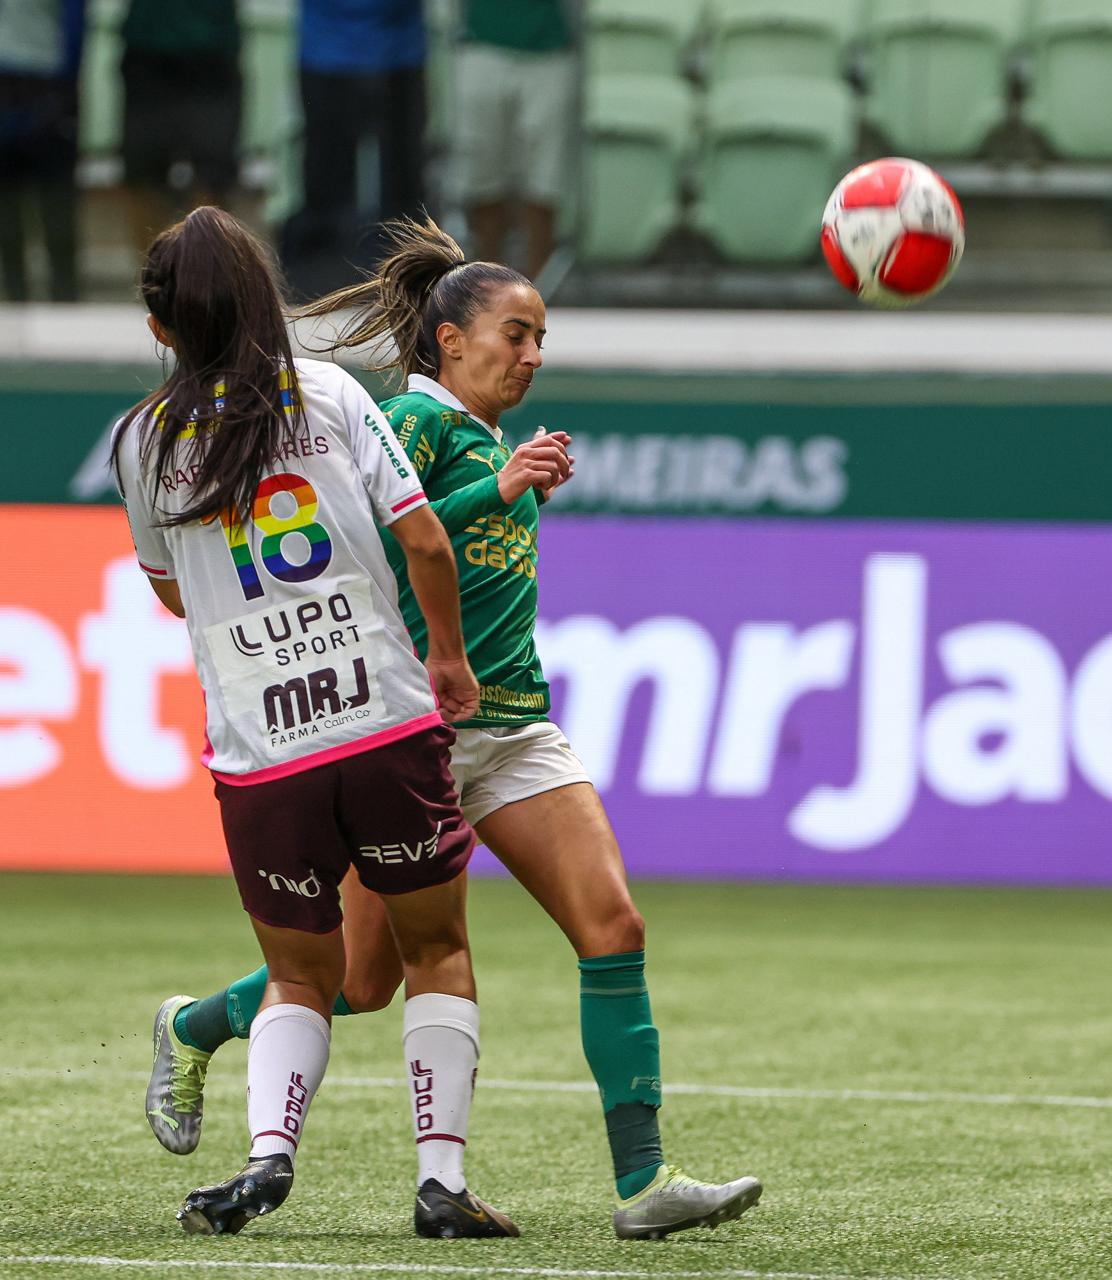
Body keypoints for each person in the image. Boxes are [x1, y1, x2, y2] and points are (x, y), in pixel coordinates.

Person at [150, 216, 762, 1241]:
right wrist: (500, 488)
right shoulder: (409, 420)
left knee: (613, 927)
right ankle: (194, 1023)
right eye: (516, 333)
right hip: (408, 732)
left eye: (541, 339)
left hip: (513, 728)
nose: (533, 354)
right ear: (450, 341)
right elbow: (378, 555)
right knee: (360, 979)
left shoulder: (482, 439)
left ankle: (644, 1179)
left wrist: (503, 478)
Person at [119, 206, 519, 1240]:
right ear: (267, 297)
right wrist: (447, 659)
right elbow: (423, 539)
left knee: (305, 972)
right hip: (381, 722)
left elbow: (171, 593)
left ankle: (268, 1156)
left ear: (161, 328)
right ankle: (440, 1182)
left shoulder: (142, 440)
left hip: (261, 751)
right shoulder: (331, 392)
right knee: (434, 951)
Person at [281, 0, 427, 298]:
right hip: (326, 53)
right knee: (325, 191)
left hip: (398, 53)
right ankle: (320, 295)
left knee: (402, 196)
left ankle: (406, 295)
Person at [453, 0, 576, 280]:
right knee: (482, 174)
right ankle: (487, 283)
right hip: (481, 44)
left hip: (549, 51)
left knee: (545, 178)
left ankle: (538, 287)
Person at [118, 0, 242, 252]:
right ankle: (152, 272)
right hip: (148, 45)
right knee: (144, 171)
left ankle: (205, 271)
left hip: (211, 49)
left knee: (212, 175)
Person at [0, 0, 85, 300]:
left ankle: (64, 295)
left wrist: (67, 82)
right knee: (8, 203)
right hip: (15, 78)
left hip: (48, 79)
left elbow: (75, 22)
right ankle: (15, 295)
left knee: (56, 202)